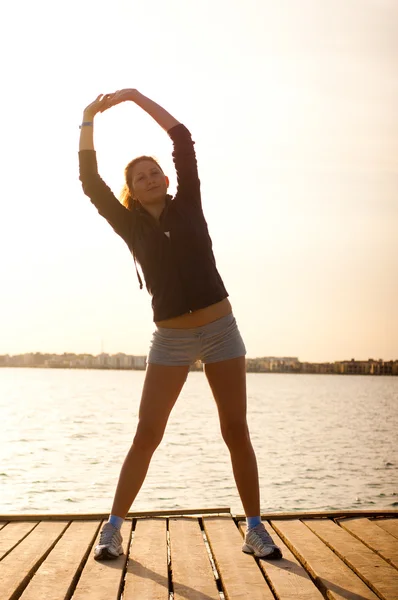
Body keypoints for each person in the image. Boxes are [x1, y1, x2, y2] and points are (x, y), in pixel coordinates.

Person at [78, 89, 282, 561]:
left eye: (155, 173)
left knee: (235, 429)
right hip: (170, 338)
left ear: (167, 178)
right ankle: (111, 528)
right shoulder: (130, 225)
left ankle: (254, 528)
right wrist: (89, 118)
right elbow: (90, 182)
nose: (150, 179)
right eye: (140, 177)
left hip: (220, 330)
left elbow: (181, 136)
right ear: (131, 188)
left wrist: (133, 98)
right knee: (147, 433)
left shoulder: (189, 201)